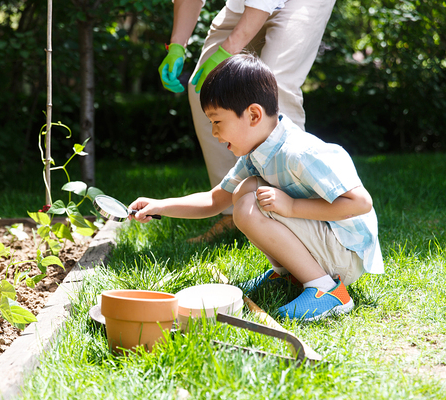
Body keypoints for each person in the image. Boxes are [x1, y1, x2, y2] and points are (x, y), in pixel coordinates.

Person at [133, 55, 383, 321]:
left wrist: (292, 206)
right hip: (326, 247)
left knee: (247, 200)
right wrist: (160, 205)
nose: (215, 133)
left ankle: (327, 290)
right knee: (246, 190)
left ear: (253, 115)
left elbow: (360, 202)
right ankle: (289, 274)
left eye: (217, 122)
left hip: (345, 253)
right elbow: (215, 200)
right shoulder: (257, 154)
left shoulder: (300, 153)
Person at [158, 0, 337, 242]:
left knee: (275, 84)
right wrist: (177, 46)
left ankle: (296, 213)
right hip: (242, 5)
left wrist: (227, 50)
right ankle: (233, 211)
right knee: (205, 89)